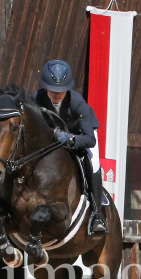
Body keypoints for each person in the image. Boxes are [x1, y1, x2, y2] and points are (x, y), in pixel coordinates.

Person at [34, 60, 107, 235]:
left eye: (61, 90)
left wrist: (70, 138)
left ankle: (97, 216)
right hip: (54, 139)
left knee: (93, 163)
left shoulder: (76, 102)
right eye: (53, 89)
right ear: (45, 87)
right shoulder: (37, 98)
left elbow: (90, 139)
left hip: (81, 135)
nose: (57, 94)